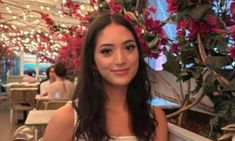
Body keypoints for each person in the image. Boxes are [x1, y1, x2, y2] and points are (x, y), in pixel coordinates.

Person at [43, 13, 168, 141]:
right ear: (93, 62)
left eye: (129, 47)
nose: (120, 60)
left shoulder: (154, 117)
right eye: (107, 51)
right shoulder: (67, 119)